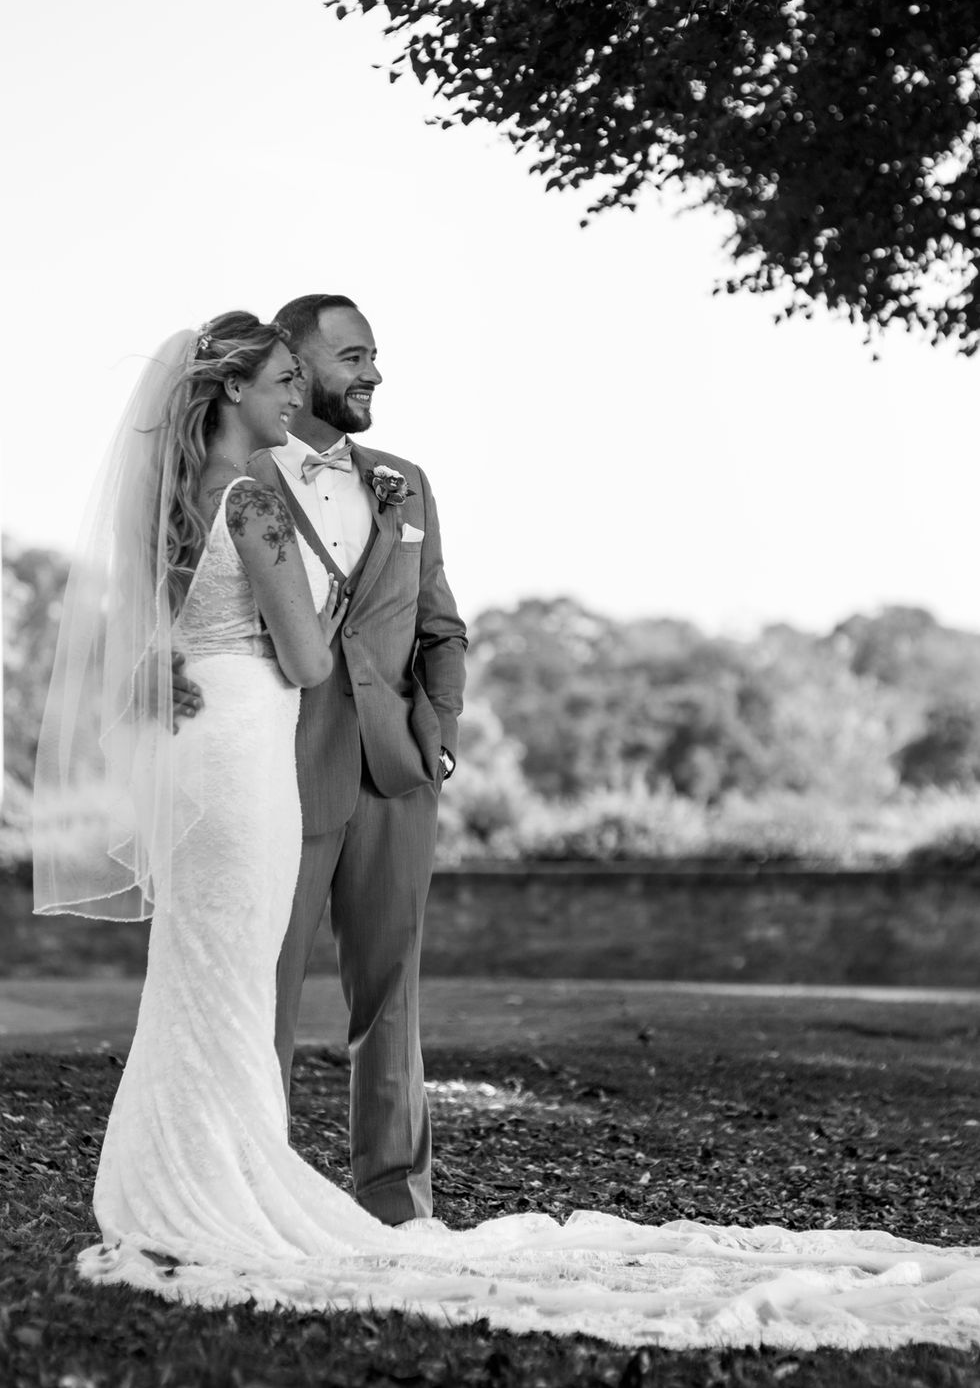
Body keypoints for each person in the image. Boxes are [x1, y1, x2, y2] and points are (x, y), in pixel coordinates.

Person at [31, 314, 980, 1349]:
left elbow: (411, 620)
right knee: (239, 966)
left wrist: (428, 716)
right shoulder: (255, 496)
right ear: (253, 384)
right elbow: (306, 659)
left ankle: (282, 1182)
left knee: (282, 974)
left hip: (270, 754)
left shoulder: (260, 491)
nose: (315, 392)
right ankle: (240, 1181)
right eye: (297, 376)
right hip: (265, 745)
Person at [171, 291, 466, 1226]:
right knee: (266, 979)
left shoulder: (406, 480)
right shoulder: (238, 478)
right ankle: (261, 1186)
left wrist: (441, 728)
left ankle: (397, 1203)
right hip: (280, 762)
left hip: (397, 768)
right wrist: (156, 660)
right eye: (348, 356)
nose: (370, 370)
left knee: (393, 995)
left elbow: (442, 623)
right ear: (292, 367)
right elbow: (172, 600)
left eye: (373, 353)